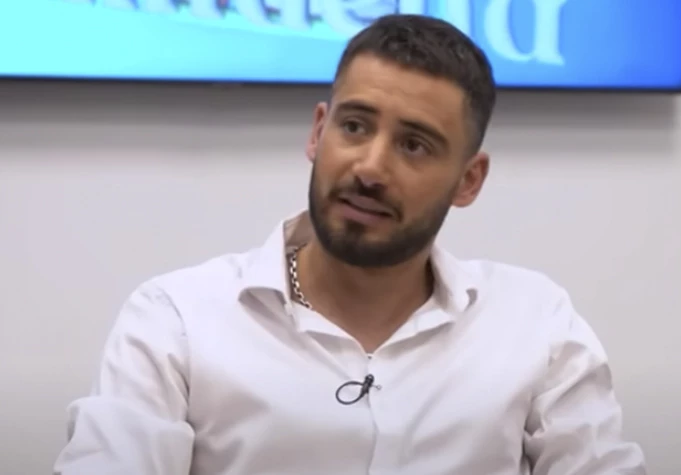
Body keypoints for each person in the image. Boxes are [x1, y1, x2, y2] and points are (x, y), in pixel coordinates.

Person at [54, 14, 646, 475]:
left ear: (469, 181)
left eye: (414, 145)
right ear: (319, 132)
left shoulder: (535, 324)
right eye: (355, 126)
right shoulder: (177, 320)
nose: (370, 168)